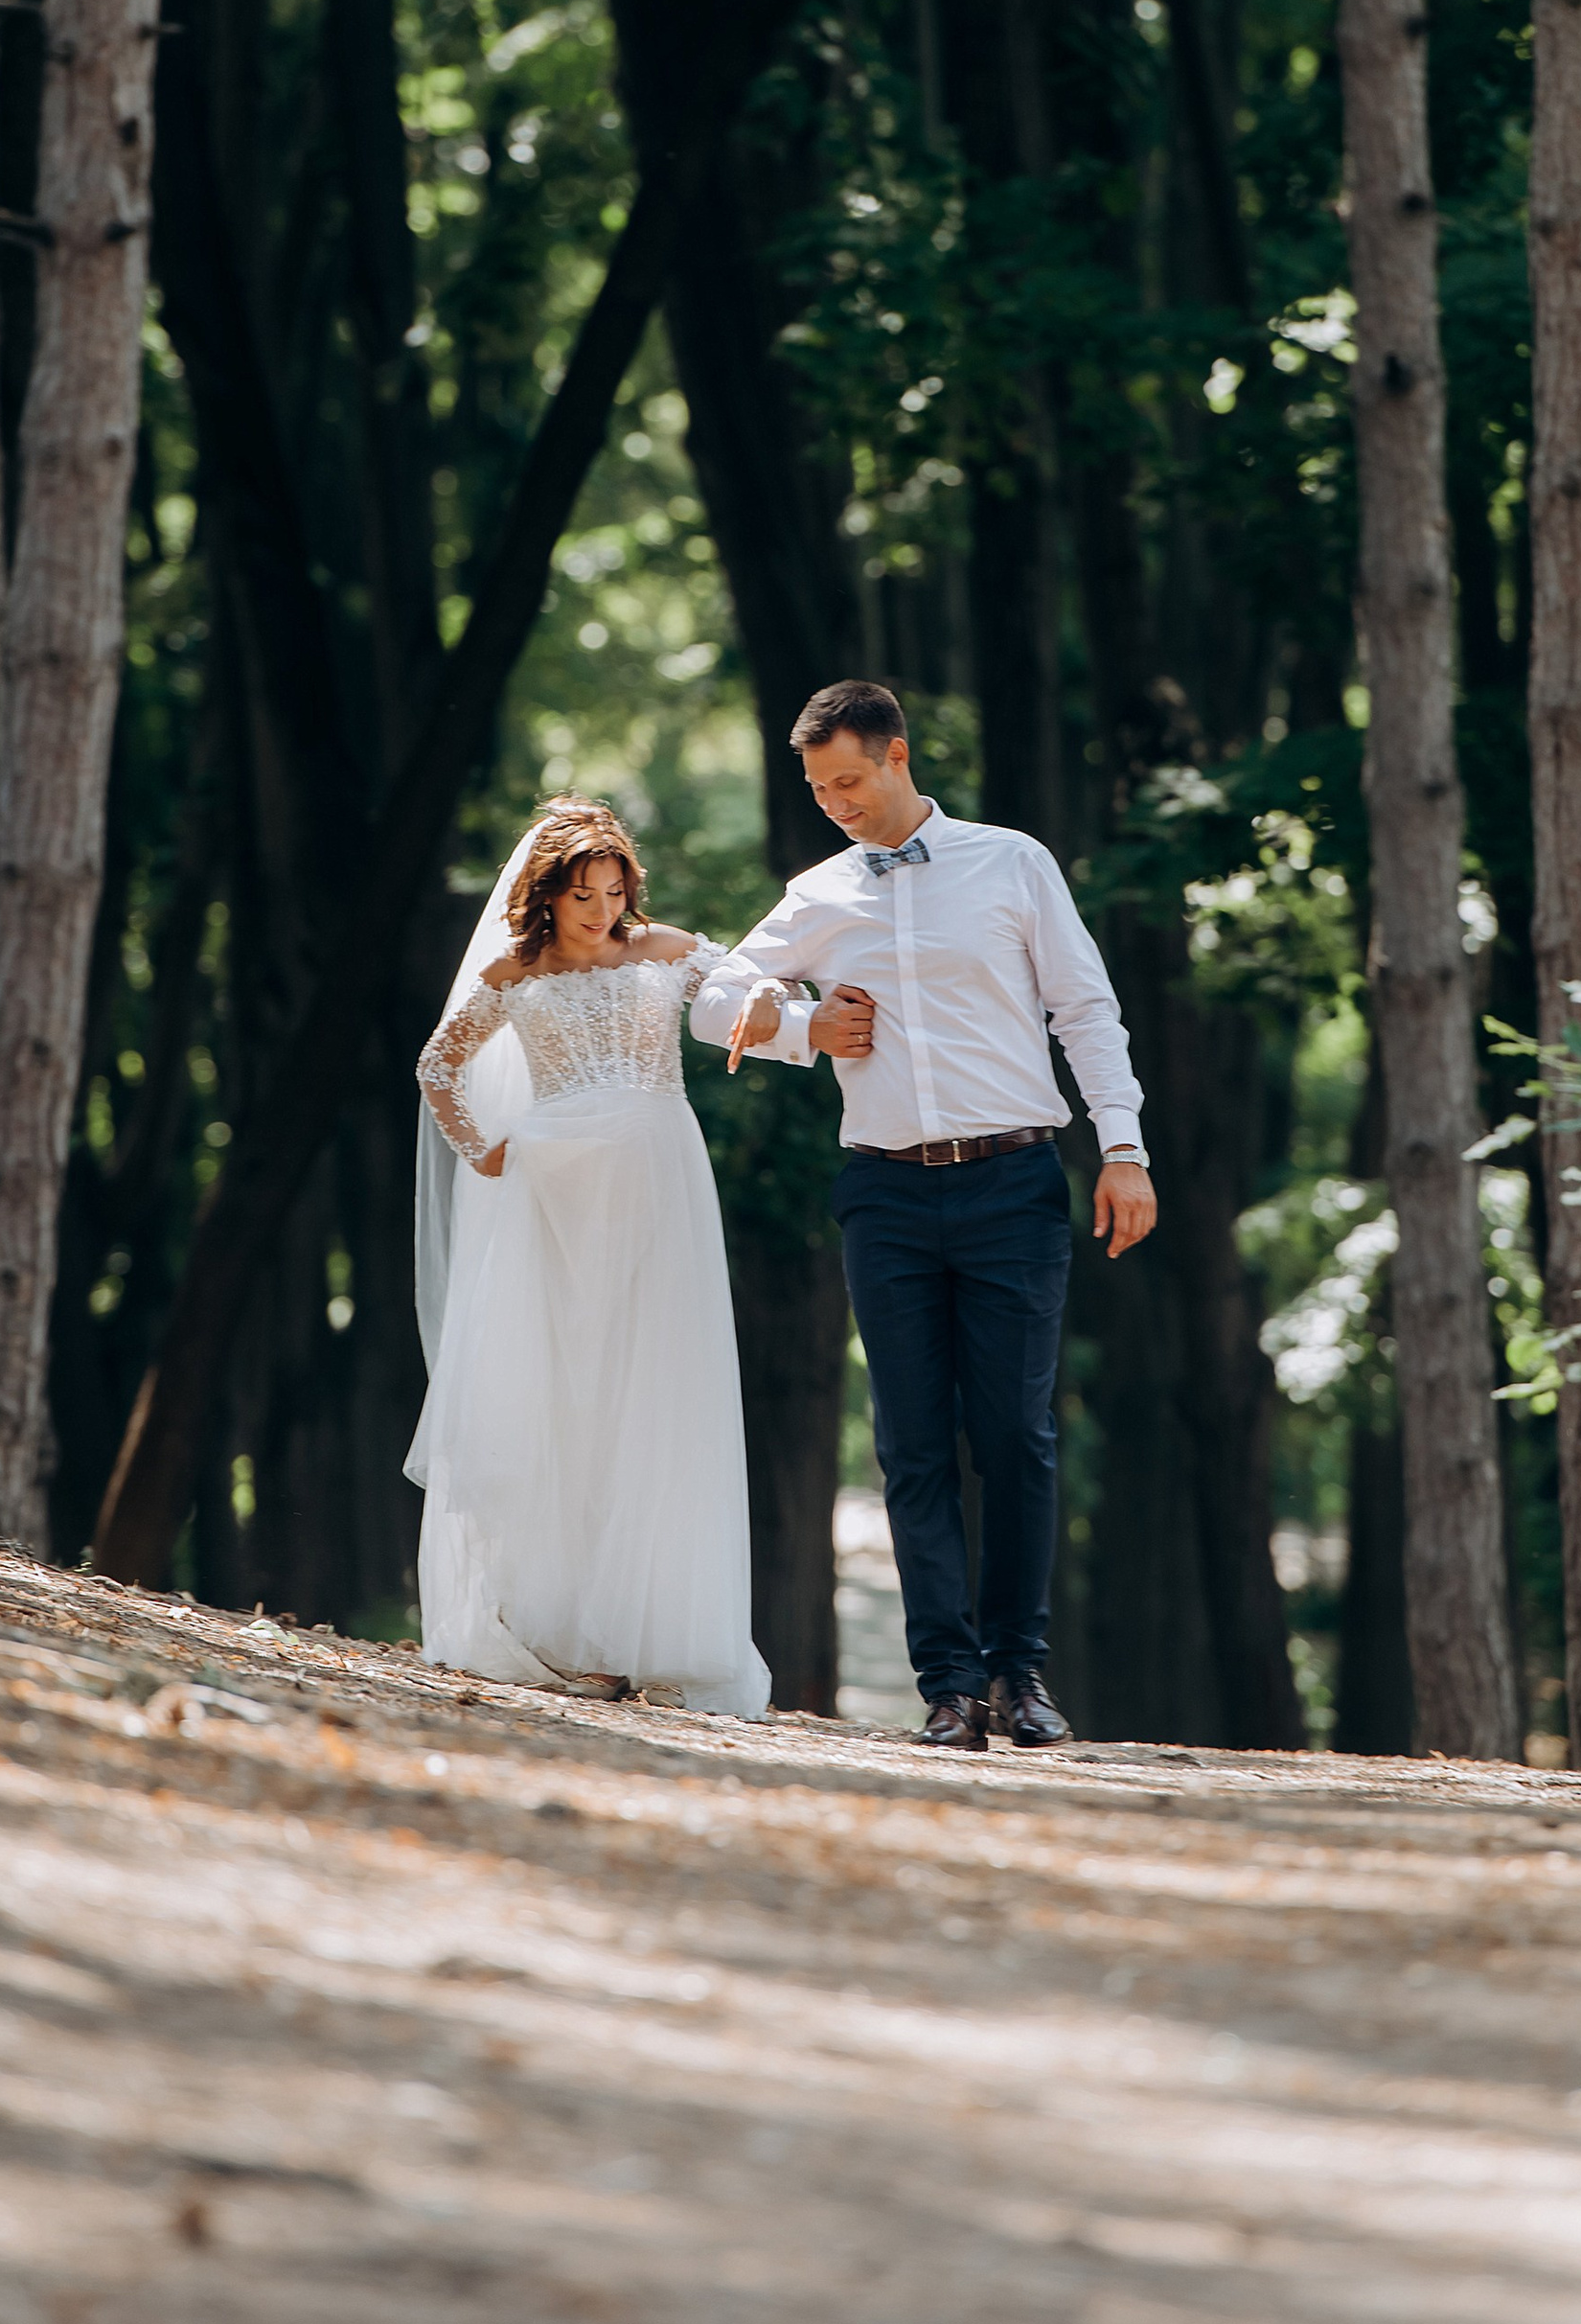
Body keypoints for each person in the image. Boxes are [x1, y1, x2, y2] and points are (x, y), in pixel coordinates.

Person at [691, 684, 1154, 1752]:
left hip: (1013, 1182)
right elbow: (714, 998)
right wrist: (804, 1029)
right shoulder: (818, 893)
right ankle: (946, 1687)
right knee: (910, 1446)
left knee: (1016, 1436)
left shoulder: (1013, 863)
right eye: (819, 789)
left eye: (849, 780)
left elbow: (1085, 1009)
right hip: (886, 1194)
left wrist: (1123, 1149)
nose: (835, 803)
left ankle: (1018, 1675)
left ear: (898, 756)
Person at [409, 797, 770, 1718]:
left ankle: (659, 1634)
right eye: (584, 896)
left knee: (659, 1391)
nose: (603, 911)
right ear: (547, 895)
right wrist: (479, 1150)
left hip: (659, 1181)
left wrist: (778, 1008)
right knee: (570, 1399)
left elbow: (748, 991)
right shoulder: (514, 971)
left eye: (615, 892)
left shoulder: (664, 951)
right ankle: (578, 1637)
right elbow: (437, 1066)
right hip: (556, 1193)